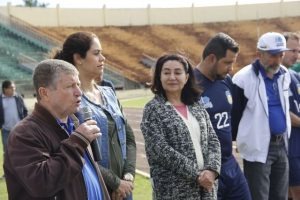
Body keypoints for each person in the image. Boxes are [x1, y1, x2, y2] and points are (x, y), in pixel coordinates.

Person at [3, 59, 110, 200]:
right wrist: (77, 142)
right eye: (70, 86)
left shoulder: (76, 123)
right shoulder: (24, 133)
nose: (79, 92)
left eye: (78, 85)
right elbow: (42, 183)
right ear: (44, 93)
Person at [53, 31, 136, 200]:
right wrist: (115, 183)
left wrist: (127, 177)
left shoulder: (109, 93)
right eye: (96, 53)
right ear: (78, 58)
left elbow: (129, 138)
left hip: (125, 191)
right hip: (95, 188)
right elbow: (79, 152)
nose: (103, 58)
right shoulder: (71, 100)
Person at [140, 53, 221, 199]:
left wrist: (212, 170)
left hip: (206, 190)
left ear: (187, 77)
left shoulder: (196, 106)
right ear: (159, 77)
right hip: (173, 192)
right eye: (166, 72)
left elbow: (213, 140)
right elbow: (160, 150)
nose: (172, 77)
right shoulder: (153, 109)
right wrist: (197, 174)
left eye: (177, 72)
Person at [232, 32, 291, 200]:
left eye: (281, 54)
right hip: (257, 146)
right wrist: (241, 141)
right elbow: (235, 116)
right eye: (273, 55)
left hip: (282, 145)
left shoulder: (285, 74)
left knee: (280, 196)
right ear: (259, 54)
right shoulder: (242, 79)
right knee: (259, 196)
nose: (278, 60)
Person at [194, 32, 251, 200]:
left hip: (229, 163)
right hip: (206, 170)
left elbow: (232, 116)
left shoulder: (226, 81)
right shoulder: (189, 86)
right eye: (227, 62)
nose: (231, 68)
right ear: (211, 58)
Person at [281, 32, 300, 200]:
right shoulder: (273, 78)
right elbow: (284, 113)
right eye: (292, 51)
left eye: (298, 51)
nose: (296, 55)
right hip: (289, 147)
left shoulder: (295, 76)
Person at [0, 80, 28, 178]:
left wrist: (24, 123)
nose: (14, 89)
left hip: (19, 130)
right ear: (5, 89)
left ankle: (23, 170)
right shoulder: (0, 99)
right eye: (11, 88)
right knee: (7, 152)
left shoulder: (18, 98)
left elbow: (25, 111)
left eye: (14, 87)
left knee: (22, 150)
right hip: (6, 130)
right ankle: (7, 173)